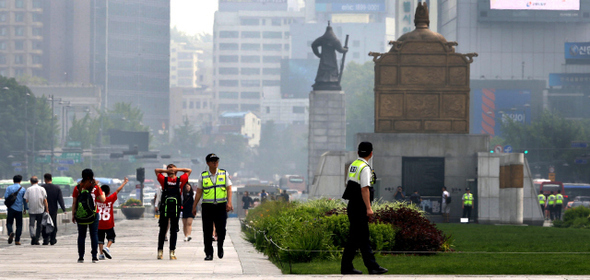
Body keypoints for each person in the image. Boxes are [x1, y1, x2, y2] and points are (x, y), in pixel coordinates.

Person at [340, 142, 388, 275]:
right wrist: (369, 208)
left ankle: (347, 267)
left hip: (352, 205)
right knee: (363, 237)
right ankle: (372, 267)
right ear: (371, 154)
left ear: (358, 152)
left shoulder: (354, 165)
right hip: (360, 206)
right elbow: (365, 189)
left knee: (354, 238)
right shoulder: (365, 168)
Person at [192, 153, 234, 261]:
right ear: (207, 163)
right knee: (207, 230)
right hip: (207, 207)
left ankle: (220, 246)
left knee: (221, 230)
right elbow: (198, 192)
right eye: (212, 161)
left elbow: (229, 188)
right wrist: (194, 206)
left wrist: (229, 202)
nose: (215, 162)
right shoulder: (203, 175)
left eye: (216, 160)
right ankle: (209, 253)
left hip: (221, 206)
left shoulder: (224, 173)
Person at [155, 164, 191, 260]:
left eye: (172, 169)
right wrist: (170, 171)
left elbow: (189, 170)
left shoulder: (179, 180)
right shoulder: (165, 180)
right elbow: (156, 170)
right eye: (169, 169)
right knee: (163, 230)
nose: (171, 171)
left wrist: (175, 170)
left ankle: (171, 251)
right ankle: (161, 251)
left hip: (174, 208)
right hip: (167, 208)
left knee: (173, 230)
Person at [72, 169, 106, 263]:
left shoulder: (77, 188)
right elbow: (103, 200)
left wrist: (73, 214)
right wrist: (101, 190)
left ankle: (81, 257)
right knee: (94, 234)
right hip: (93, 214)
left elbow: (74, 202)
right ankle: (94, 257)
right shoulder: (96, 187)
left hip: (81, 214)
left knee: (81, 236)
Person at [97, 177, 129, 260]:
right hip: (109, 223)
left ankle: (100, 254)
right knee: (111, 237)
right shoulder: (110, 199)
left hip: (99, 223)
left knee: (100, 239)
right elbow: (118, 191)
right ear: (109, 192)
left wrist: (96, 185)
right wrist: (124, 183)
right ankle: (107, 247)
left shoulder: (97, 200)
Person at [41, 173, 66, 245]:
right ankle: (52, 239)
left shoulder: (42, 187)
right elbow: (60, 199)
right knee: (53, 223)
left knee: (45, 224)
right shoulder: (57, 188)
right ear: (51, 179)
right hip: (54, 209)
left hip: (44, 209)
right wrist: (63, 209)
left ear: (45, 179)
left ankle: (45, 239)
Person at [23, 176, 48, 245]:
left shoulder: (28, 189)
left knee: (31, 225)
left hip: (31, 210)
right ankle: (37, 239)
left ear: (31, 182)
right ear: (38, 181)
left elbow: (26, 200)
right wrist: (47, 209)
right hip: (40, 210)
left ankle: (33, 236)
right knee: (39, 225)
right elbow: (45, 200)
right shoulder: (42, 189)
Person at [5, 175, 27, 245]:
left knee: (9, 223)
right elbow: (24, 200)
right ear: (20, 181)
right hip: (19, 209)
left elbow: (6, 197)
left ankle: (10, 232)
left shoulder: (9, 188)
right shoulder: (23, 189)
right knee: (19, 225)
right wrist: (25, 208)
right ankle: (17, 240)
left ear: (13, 180)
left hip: (11, 208)